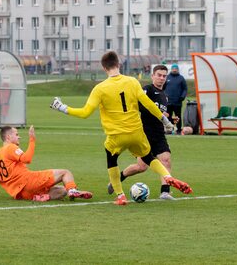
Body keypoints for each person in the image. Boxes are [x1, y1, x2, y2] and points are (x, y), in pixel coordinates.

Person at [50, 51, 192, 205]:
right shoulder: (132, 82)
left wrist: (63, 107)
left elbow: (85, 113)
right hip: (137, 133)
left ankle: (120, 196)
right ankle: (168, 177)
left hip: (116, 136)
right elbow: (149, 104)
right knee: (149, 158)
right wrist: (165, 120)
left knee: (112, 159)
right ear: (118, 64)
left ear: (104, 68)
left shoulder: (100, 88)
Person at [107, 65, 175, 200]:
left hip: (159, 134)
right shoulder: (147, 89)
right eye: (159, 75)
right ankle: (119, 178)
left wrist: (170, 118)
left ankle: (165, 192)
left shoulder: (164, 96)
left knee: (166, 160)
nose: (161, 78)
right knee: (141, 167)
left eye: (164, 76)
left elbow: (161, 115)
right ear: (153, 76)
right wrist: (160, 113)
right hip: (144, 134)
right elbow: (141, 106)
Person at [0, 125, 93, 202]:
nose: (19, 137)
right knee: (65, 173)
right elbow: (27, 159)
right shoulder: (11, 147)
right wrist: (32, 140)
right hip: (28, 181)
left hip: (22, 194)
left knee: (63, 190)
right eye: (17, 134)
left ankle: (43, 197)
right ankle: (73, 191)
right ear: (8, 137)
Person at [164, 63, 187, 134]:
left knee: (178, 117)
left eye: (176, 69)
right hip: (168, 102)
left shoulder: (181, 78)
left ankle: (179, 130)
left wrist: (182, 97)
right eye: (173, 68)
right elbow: (162, 88)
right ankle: (169, 129)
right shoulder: (167, 78)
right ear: (171, 69)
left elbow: (185, 89)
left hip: (177, 102)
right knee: (168, 117)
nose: (174, 70)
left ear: (178, 69)